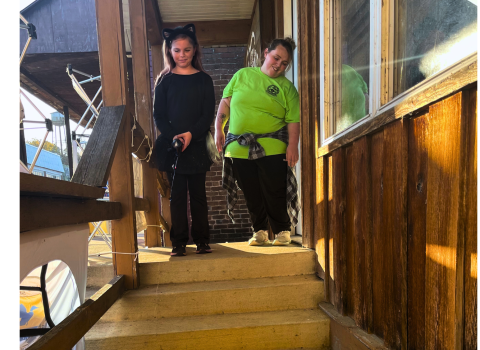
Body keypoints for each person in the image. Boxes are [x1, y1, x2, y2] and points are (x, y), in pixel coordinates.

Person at [215, 38, 300, 246]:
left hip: (272, 146)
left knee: (274, 189)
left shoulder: (287, 88)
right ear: (265, 53)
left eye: (284, 63)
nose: (278, 65)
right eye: (276, 58)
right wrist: (218, 129)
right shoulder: (242, 75)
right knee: (251, 191)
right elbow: (225, 103)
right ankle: (260, 231)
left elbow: (293, 120)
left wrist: (292, 145)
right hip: (239, 147)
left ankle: (282, 231)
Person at [152, 24, 215, 256]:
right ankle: (178, 242)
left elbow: (207, 114)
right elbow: (158, 115)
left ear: (195, 50)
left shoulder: (204, 80)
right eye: (177, 50)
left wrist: (191, 134)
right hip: (173, 148)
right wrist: (174, 137)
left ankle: (202, 241)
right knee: (177, 196)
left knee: (198, 195)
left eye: (187, 50)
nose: (182, 55)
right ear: (170, 51)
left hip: (197, 145)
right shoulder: (164, 81)